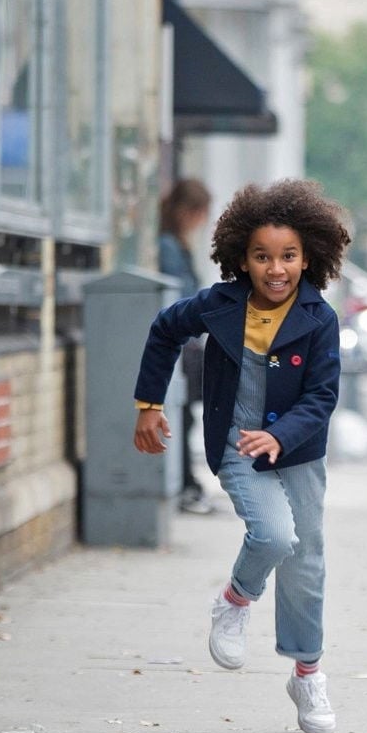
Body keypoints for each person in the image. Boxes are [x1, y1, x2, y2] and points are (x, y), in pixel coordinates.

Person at [132, 180, 352, 733]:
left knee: (306, 562)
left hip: (298, 452)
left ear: (309, 258)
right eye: (262, 257)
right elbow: (164, 331)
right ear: (242, 258)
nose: (275, 269)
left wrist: (282, 437)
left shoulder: (319, 319)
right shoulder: (221, 304)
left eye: (288, 256)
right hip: (236, 444)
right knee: (275, 536)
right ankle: (234, 600)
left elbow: (322, 396)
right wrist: (149, 404)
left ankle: (307, 674)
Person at [158, 178, 217, 515]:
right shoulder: (169, 246)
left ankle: (187, 482)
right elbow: (180, 295)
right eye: (200, 213)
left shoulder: (175, 244)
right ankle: (184, 484)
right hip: (181, 343)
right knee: (181, 415)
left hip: (187, 342)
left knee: (186, 415)